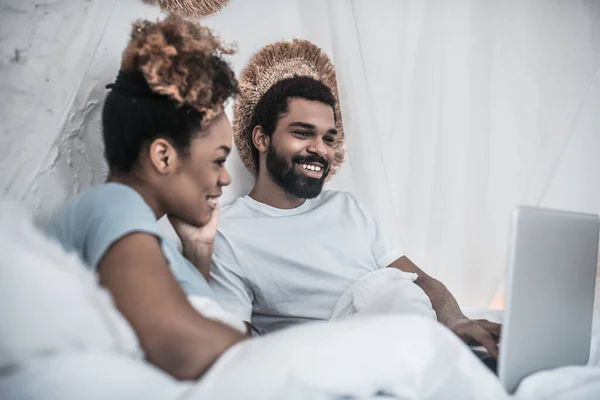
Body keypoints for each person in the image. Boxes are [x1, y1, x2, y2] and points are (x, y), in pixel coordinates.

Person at [210, 39, 501, 357]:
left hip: (408, 337)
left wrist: (455, 319)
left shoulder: (346, 207)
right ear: (261, 138)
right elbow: (235, 349)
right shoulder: (229, 233)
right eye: (303, 133)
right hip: (337, 360)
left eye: (328, 138)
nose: (320, 149)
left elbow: (421, 282)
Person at [45, 15, 246, 380]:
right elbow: (175, 341)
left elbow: (188, 318)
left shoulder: (147, 240)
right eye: (218, 159)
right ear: (164, 156)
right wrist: (282, 359)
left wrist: (198, 249)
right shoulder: (110, 204)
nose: (226, 177)